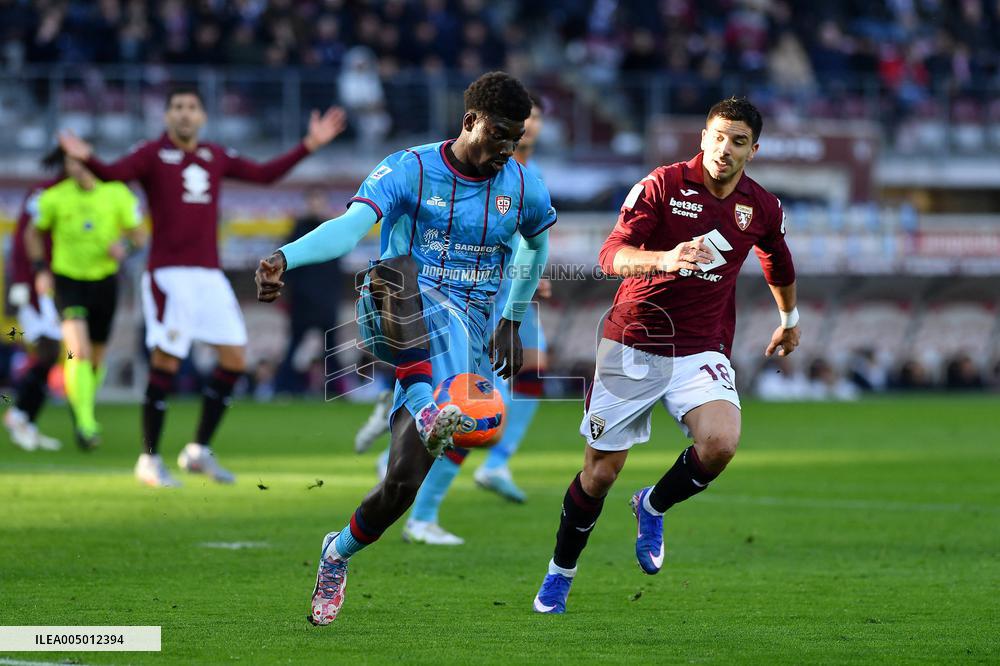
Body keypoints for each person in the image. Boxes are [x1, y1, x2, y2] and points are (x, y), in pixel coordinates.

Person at [255, 72, 555, 624]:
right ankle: (426, 409)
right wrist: (285, 258)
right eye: (499, 134)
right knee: (396, 270)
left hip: (461, 338)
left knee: (400, 485)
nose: (506, 150)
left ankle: (335, 552)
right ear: (470, 122)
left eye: (516, 139)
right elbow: (349, 230)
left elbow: (537, 245)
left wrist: (513, 315)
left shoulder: (524, 188)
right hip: (393, 311)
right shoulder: (408, 170)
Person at [532, 97, 800, 614]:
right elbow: (611, 254)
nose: (725, 149)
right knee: (600, 474)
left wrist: (789, 320)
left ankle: (652, 504)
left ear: (754, 150)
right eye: (718, 136)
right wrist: (666, 258)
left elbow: (778, 263)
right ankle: (559, 573)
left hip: (701, 345)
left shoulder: (762, 207)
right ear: (703, 138)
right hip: (634, 342)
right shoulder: (662, 185)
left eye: (738, 141)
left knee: (721, 443)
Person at [59, 87, 346, 487]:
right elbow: (111, 174)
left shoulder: (214, 155)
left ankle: (198, 450)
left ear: (202, 117)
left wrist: (309, 145)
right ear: (167, 116)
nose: (184, 114)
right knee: (167, 363)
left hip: (209, 276)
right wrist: (86, 155)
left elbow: (264, 175)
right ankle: (149, 457)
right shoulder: (151, 154)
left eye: (191, 108)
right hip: (168, 275)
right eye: (177, 107)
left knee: (233, 359)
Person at [392, 95, 551, 546]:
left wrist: (527, 281)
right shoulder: (472, 167)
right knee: (474, 405)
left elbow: (531, 240)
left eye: (534, 120)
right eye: (524, 121)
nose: (530, 127)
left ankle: (493, 461)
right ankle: (421, 505)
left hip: (505, 295)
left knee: (530, 372)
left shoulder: (525, 175)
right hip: (470, 294)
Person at [24, 148, 143, 450]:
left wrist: (126, 247)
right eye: (70, 162)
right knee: (79, 350)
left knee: (96, 359)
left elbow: (139, 234)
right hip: (68, 281)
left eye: (81, 161)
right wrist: (40, 270)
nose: (77, 168)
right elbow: (32, 234)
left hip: (104, 282)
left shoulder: (116, 193)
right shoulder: (54, 197)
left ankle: (81, 406)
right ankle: (86, 423)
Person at [3, 149, 65, 452]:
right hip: (34, 286)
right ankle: (18, 415)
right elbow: (21, 241)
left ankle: (25, 418)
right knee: (48, 351)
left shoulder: (71, 195)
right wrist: (18, 284)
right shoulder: (44, 194)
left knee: (51, 353)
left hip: (51, 286)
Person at [274, 188, 343, 395]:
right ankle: (284, 389)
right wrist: (286, 294)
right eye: (312, 200)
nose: (315, 205)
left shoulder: (332, 229)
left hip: (326, 301)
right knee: (293, 346)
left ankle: (336, 390)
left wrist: (333, 296)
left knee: (331, 349)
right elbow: (285, 264)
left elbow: (336, 267)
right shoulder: (297, 229)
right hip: (302, 301)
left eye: (318, 200)